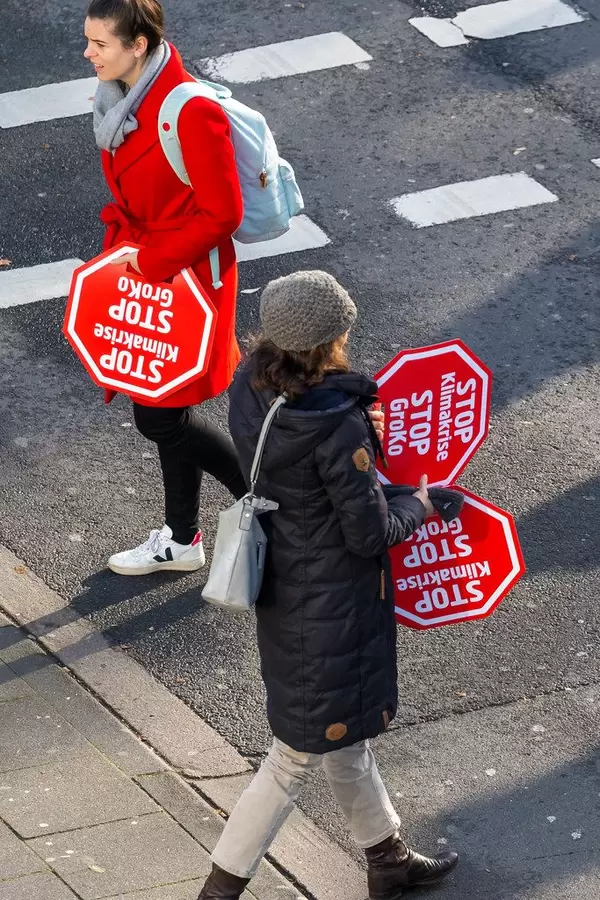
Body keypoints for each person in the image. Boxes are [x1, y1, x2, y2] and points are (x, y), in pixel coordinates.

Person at [196, 271, 459, 900]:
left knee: (340, 734)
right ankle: (217, 890)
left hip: (289, 586)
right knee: (294, 755)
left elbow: (298, 463)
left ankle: (388, 858)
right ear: (329, 341)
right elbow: (369, 533)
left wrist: (353, 429)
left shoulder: (253, 383)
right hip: (332, 604)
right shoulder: (335, 424)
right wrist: (422, 504)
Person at [84, 0, 247, 575]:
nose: (88, 53)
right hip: (147, 271)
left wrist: (152, 261)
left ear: (139, 45)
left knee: (159, 417)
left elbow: (223, 213)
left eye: (100, 43)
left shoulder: (189, 111)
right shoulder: (118, 100)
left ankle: (262, 501)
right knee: (167, 411)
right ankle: (182, 540)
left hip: (185, 278)